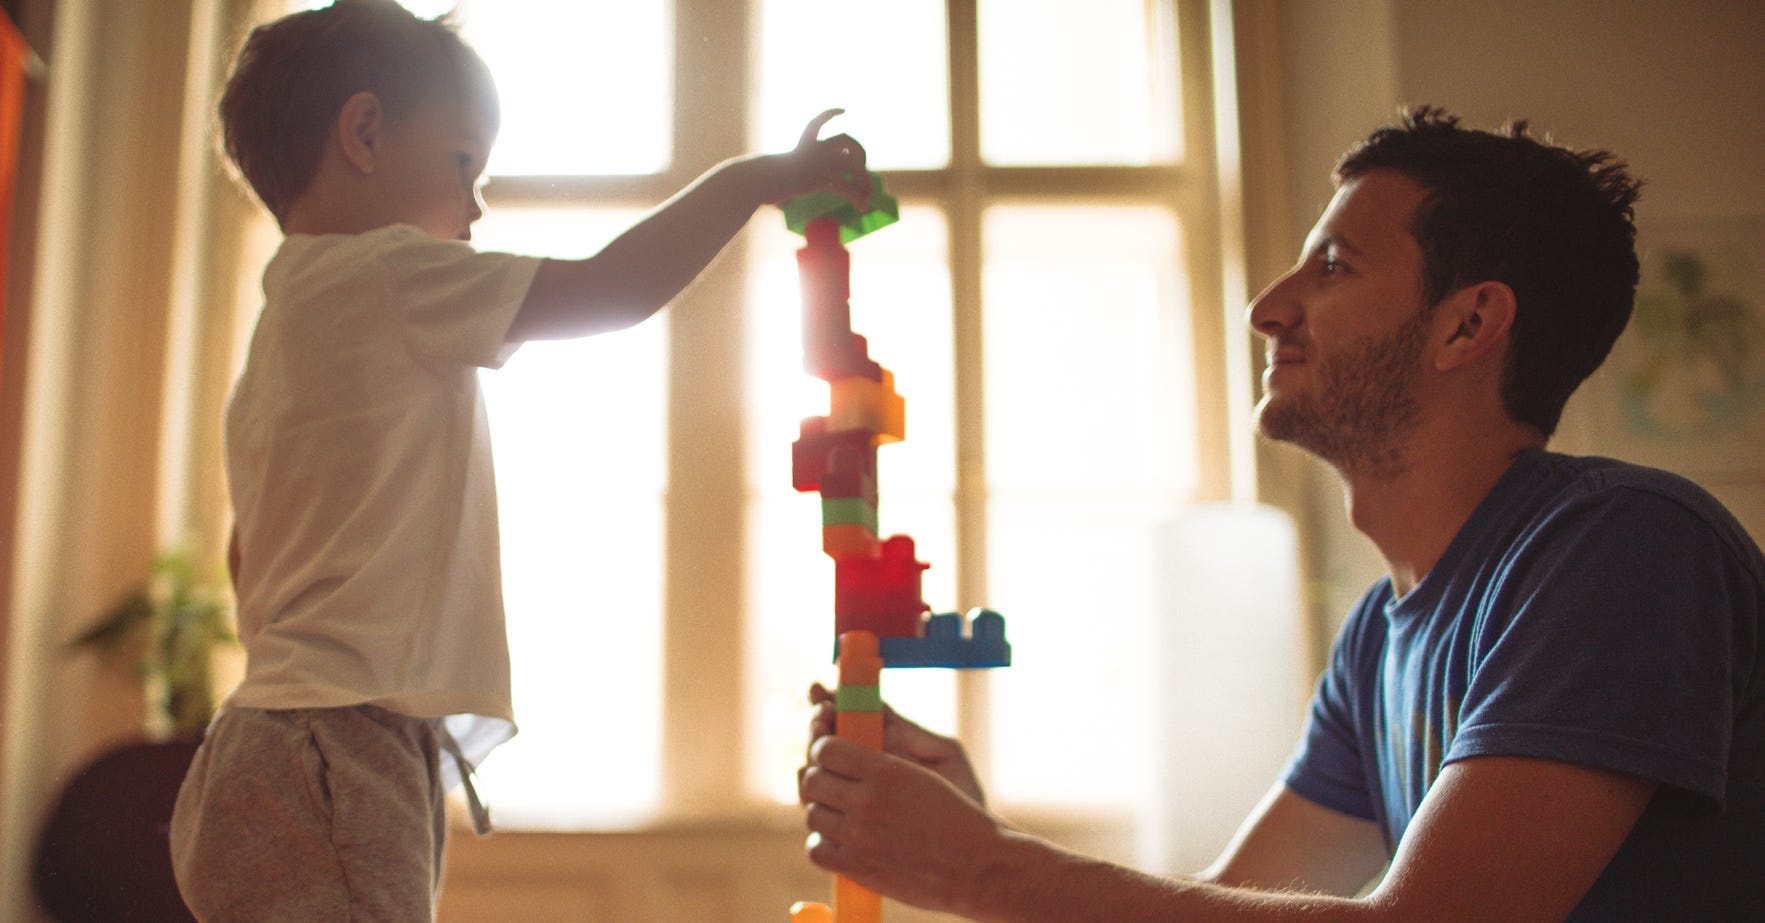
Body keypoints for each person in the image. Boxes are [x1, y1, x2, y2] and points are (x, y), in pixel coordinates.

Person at [799, 106, 1765, 920]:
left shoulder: (1627, 547)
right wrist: (981, 834)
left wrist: (982, 867)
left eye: (1332, 266)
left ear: (1467, 324)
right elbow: (1230, 902)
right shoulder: (1377, 639)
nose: (1267, 306)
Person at [167, 1, 871, 918]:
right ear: (364, 133)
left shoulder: (280, 337)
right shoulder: (387, 273)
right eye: (464, 162)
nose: (476, 204)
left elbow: (245, 557)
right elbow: (609, 288)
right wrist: (754, 180)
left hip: (263, 744)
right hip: (337, 746)